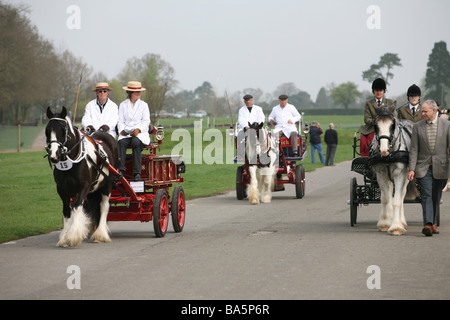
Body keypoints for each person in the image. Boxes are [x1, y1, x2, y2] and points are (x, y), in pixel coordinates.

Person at [407, 99, 450, 236]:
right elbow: (414, 149)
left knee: (436, 195)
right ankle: (428, 224)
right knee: (426, 194)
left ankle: (433, 223)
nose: (423, 113)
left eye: (425, 111)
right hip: (423, 166)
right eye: (422, 111)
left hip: (441, 167)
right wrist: (412, 169)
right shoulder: (417, 126)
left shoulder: (447, 125)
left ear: (434, 110)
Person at [117, 81, 151, 181]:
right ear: (130, 93)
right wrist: (122, 131)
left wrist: (138, 130)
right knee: (121, 143)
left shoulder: (144, 105)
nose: (139, 94)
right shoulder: (123, 105)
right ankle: (121, 170)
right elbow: (120, 121)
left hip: (140, 133)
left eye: (139, 92)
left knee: (136, 142)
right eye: (136, 92)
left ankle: (137, 173)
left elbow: (146, 121)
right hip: (126, 133)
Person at [359, 78, 394, 156]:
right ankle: (367, 159)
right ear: (373, 91)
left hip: (386, 129)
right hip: (373, 129)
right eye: (376, 90)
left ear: (384, 91)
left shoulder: (390, 102)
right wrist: (376, 121)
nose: (378, 92)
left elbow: (394, 117)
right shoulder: (368, 103)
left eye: (380, 90)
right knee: (366, 141)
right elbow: (366, 119)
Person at [236, 94, 266, 160]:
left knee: (263, 135)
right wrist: (246, 126)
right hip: (247, 128)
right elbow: (240, 119)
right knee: (240, 135)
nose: (248, 102)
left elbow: (262, 118)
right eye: (246, 100)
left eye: (249, 100)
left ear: (251, 100)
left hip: (256, 127)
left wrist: (257, 125)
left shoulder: (258, 108)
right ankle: (240, 154)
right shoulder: (241, 110)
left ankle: (264, 151)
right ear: (244, 101)